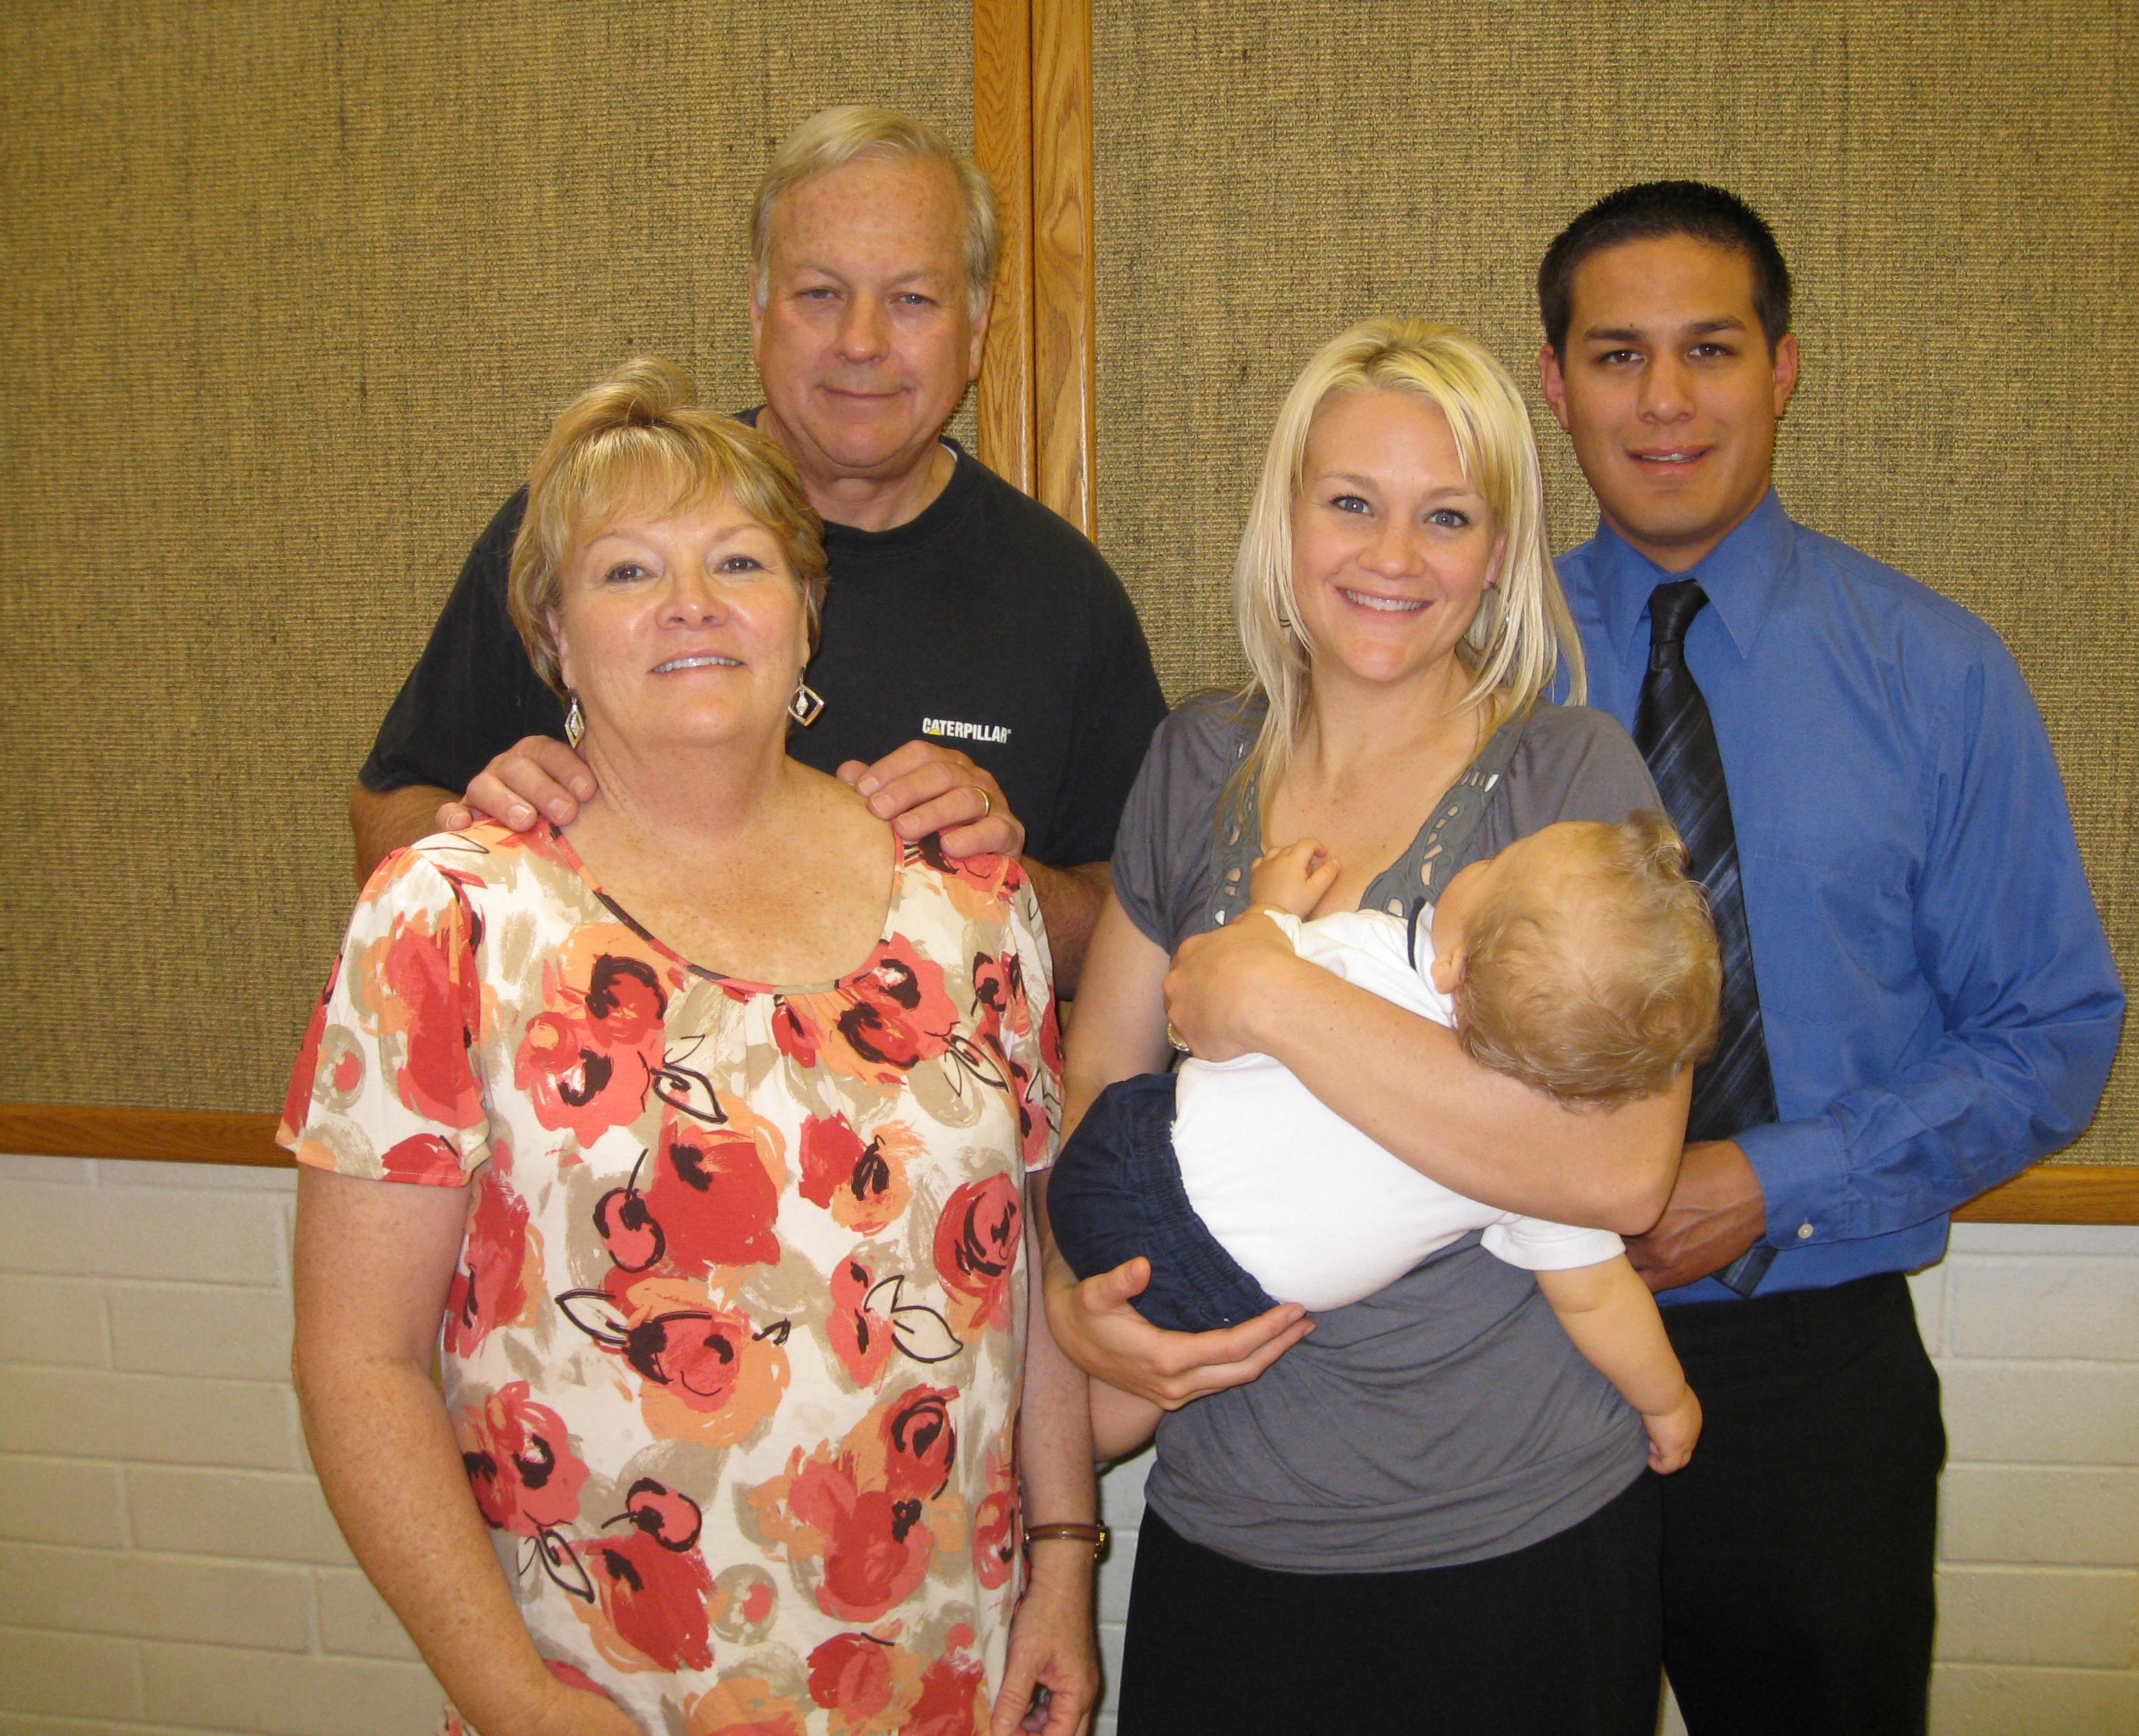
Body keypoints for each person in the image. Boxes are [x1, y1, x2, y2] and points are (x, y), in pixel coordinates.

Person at [287, 357, 1098, 1736]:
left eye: (737, 560)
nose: (691, 604)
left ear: (804, 610)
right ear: (552, 633)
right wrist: (511, 1699)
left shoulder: (967, 900)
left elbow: (1030, 1268)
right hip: (601, 1696)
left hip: (945, 1674)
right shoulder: (449, 916)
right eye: (627, 570)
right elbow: (355, 1361)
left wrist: (1066, 1564)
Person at [1532, 182, 2126, 1734]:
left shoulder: (1936, 674)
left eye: (1709, 349)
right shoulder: (1482, 667)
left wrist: (1768, 1174)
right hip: (1506, 1353)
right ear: (1555, 384)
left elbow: (2051, 1032)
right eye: (1616, 355)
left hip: (1810, 1370)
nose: (1663, 401)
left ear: (1783, 368)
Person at [1044, 318, 1693, 1735]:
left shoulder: (1568, 778)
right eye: (1351, 501)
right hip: (1231, 1523)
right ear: (1285, 519)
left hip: (1519, 1531)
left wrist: (1274, 996)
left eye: (1445, 516)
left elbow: (1618, 1171)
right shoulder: (1195, 762)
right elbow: (1095, 1093)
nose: (1393, 556)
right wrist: (1075, 1312)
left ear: (1498, 552)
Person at [349, 104, 1165, 991]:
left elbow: (1145, 934)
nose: (861, 343)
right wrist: (477, 841)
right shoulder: (586, 533)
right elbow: (388, 814)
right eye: (820, 294)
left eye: (911, 300)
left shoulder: (1061, 596)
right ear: (759, 309)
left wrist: (995, 880)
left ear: (974, 331)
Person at [1044, 815, 1714, 1476]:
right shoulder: (1534, 1161)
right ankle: (1094, 1437)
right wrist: (1667, 1400)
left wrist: (1272, 906)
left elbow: (1228, 981)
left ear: (1452, 967)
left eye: (1492, 867)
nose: (1476, 862)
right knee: (1150, 1376)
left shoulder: (1374, 949)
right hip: (1229, 1297)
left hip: (1125, 1162)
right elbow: (1598, 1298)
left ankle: (1062, 1453)